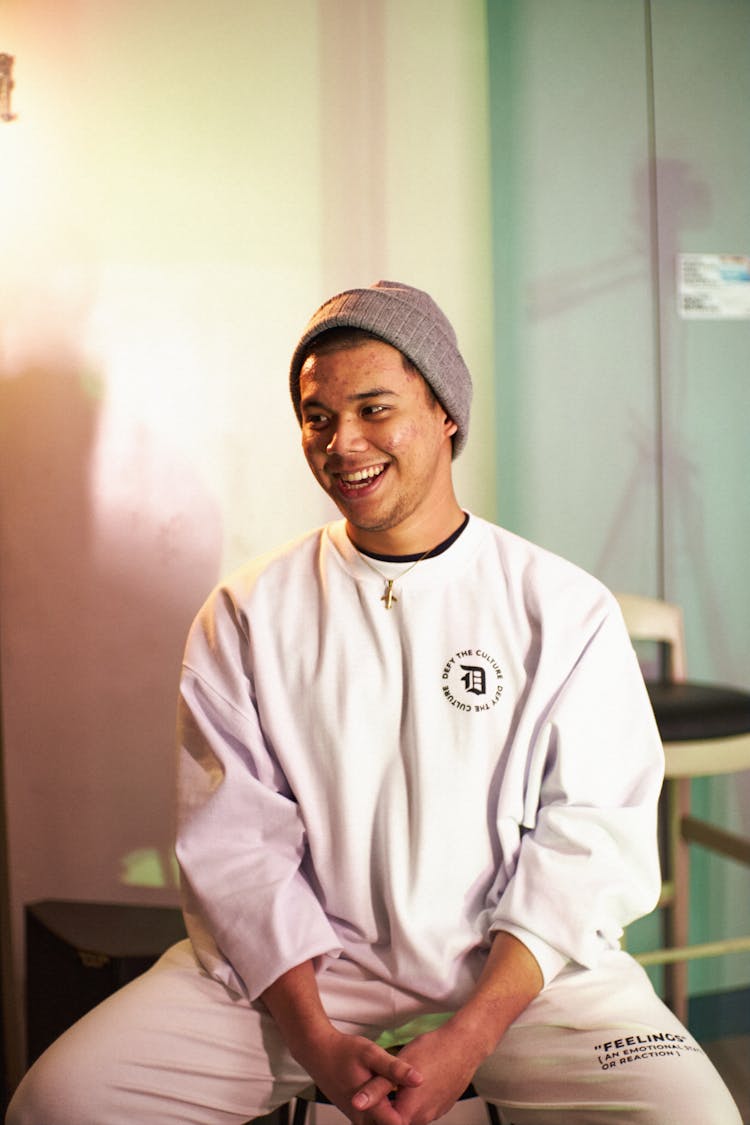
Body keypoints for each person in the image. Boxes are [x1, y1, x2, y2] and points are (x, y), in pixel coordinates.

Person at [8, 280, 741, 1125]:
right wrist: (318, 1041)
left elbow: (591, 840)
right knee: (58, 1101)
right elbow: (237, 851)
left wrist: (468, 1036)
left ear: (445, 413)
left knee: (697, 1118)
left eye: (374, 408)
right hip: (309, 979)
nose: (342, 442)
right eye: (317, 417)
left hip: (525, 978)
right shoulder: (248, 614)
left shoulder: (559, 607)